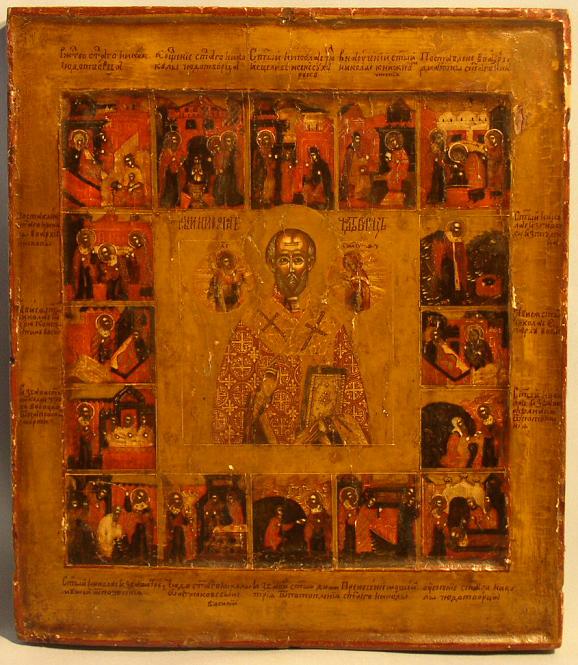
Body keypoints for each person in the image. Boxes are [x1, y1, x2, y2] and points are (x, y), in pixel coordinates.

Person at [214, 228, 370, 446]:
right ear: (271, 264)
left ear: (310, 263)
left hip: (320, 455)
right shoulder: (250, 325)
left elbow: (354, 406)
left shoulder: (331, 325)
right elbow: (231, 406)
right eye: (283, 260)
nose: (290, 269)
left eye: (297, 260)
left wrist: (326, 427)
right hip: (266, 457)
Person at [432, 220, 468, 304]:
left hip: (458, 265)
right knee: (448, 280)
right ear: (451, 228)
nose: (456, 230)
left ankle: (459, 298)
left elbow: (462, 255)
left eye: (458, 228)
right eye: (455, 228)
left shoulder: (460, 240)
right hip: (448, 264)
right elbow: (442, 251)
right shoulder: (447, 238)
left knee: (460, 281)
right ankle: (447, 298)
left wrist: (460, 262)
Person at [214, 131, 243, 207]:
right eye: (227, 141)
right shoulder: (222, 152)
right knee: (221, 184)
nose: (228, 143)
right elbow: (219, 161)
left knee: (231, 187)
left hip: (231, 173)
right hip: (224, 173)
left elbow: (238, 162)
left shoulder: (235, 152)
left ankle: (231, 200)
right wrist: (220, 168)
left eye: (230, 141)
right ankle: (221, 200)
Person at [340, 131, 371, 203]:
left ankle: (360, 195)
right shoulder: (350, 150)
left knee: (364, 177)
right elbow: (351, 162)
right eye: (356, 139)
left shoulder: (357, 148)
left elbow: (359, 158)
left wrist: (364, 159)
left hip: (356, 169)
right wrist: (364, 159)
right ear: (353, 139)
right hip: (351, 170)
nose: (358, 141)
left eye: (359, 139)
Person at [252, 129, 278, 208]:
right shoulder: (257, 152)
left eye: (267, 140)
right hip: (260, 171)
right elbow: (255, 163)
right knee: (260, 185)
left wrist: (270, 163)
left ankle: (267, 200)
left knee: (269, 185)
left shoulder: (272, 151)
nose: (266, 142)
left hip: (269, 172)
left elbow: (274, 162)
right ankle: (260, 199)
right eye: (264, 140)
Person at [158, 131, 184, 208]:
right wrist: (171, 161)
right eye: (172, 140)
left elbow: (179, 163)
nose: (174, 143)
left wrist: (179, 163)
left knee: (176, 190)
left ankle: (175, 203)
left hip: (175, 175)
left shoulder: (178, 152)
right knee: (169, 190)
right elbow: (163, 165)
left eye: (176, 141)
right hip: (167, 175)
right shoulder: (165, 152)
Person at [72, 229, 97, 300]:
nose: (85, 239)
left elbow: (93, 260)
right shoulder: (78, 249)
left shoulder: (91, 249)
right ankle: (79, 295)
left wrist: (90, 263)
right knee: (81, 281)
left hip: (88, 268)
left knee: (89, 281)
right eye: (84, 238)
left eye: (87, 238)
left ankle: (90, 295)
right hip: (81, 268)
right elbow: (76, 261)